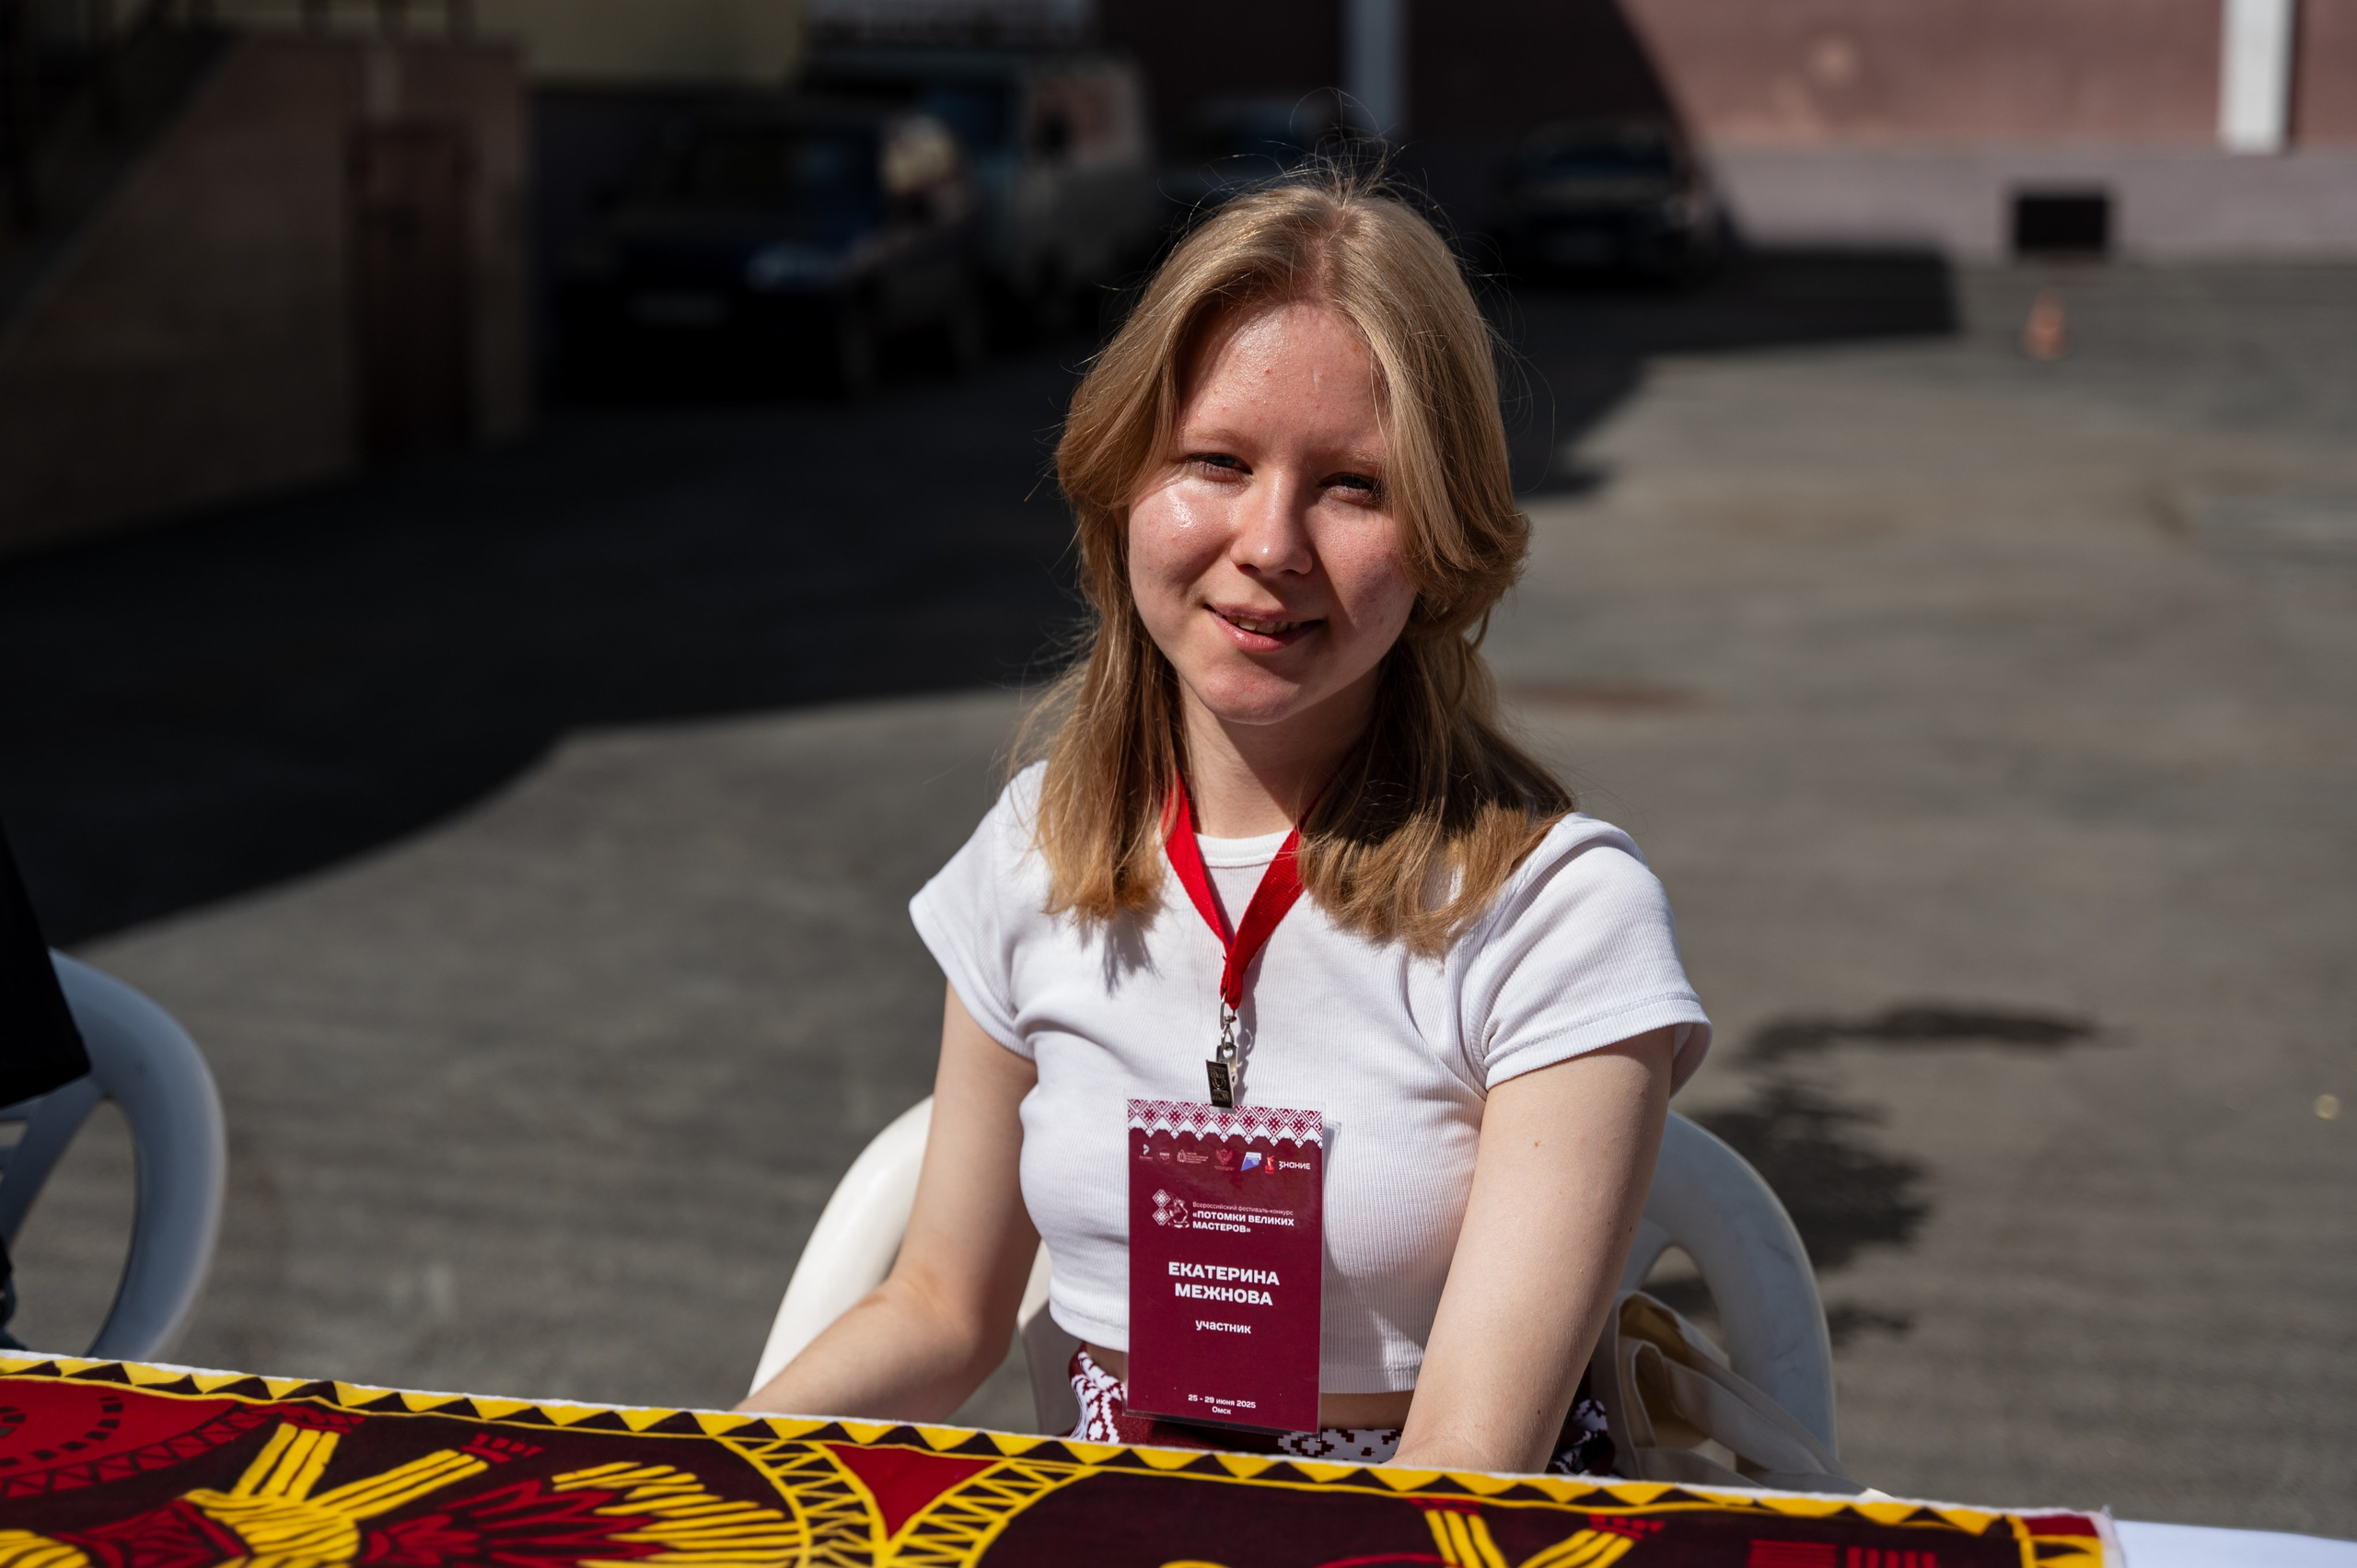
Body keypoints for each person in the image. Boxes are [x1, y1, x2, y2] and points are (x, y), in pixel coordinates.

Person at [741, 169, 1710, 1476]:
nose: (1271, 541)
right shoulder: (1036, 853)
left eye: (1354, 485)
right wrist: (671, 1479)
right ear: (1123, 487)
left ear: (1441, 538)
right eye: (1216, 460)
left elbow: (1468, 1469)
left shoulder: (1553, 917)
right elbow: (940, 1308)